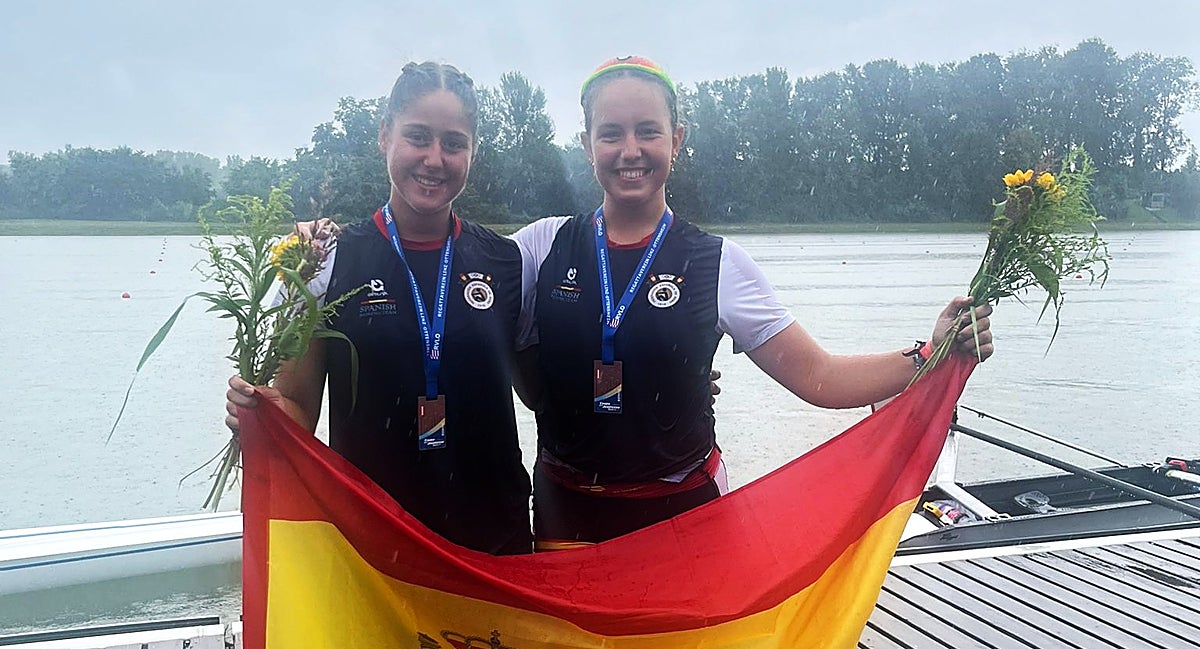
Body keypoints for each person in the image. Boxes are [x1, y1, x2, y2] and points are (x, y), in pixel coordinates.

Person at [509, 56, 994, 549]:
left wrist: (932, 352)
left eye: (648, 131)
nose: (629, 150)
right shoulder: (539, 248)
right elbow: (474, 335)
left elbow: (819, 377)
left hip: (682, 518)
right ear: (586, 142)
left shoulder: (719, 262)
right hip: (564, 512)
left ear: (677, 140)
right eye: (610, 133)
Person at [225, 61, 532, 555]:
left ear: (473, 151)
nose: (435, 158)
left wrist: (674, 380)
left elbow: (545, 393)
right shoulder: (324, 261)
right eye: (418, 137)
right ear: (385, 136)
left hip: (495, 549)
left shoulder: (508, 260)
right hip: (374, 551)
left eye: (454, 143)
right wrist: (262, 413)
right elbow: (299, 408)